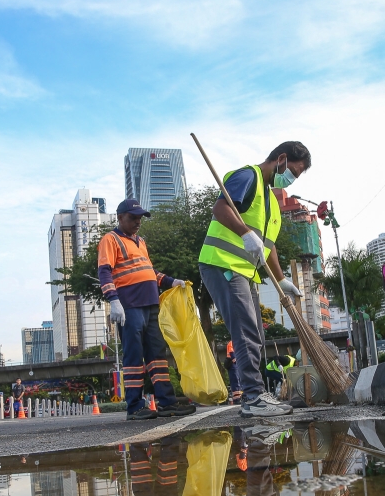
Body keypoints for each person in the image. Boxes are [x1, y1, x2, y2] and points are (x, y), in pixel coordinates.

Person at [198, 142, 309, 418]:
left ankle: (256, 393)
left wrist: (281, 280)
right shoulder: (248, 176)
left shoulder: (271, 200)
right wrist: (245, 232)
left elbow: (268, 246)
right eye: (293, 172)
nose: (292, 179)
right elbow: (221, 208)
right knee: (246, 330)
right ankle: (253, 398)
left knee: (256, 333)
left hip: (243, 272)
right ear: (281, 159)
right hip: (222, 264)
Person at [99, 199, 197, 421]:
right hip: (130, 306)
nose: (138, 222)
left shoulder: (140, 241)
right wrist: (113, 299)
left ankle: (167, 403)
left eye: (140, 218)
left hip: (151, 305)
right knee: (134, 355)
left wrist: (171, 281)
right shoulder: (110, 239)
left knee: (157, 356)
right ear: (120, 217)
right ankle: (135, 406)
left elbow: (149, 271)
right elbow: (104, 271)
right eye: (133, 218)